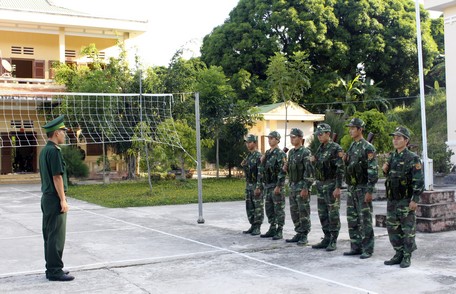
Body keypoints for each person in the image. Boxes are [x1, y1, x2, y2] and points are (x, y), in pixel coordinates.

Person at [383, 126, 424, 268]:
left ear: (406, 140)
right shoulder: (392, 156)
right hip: (392, 200)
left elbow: (419, 181)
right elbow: (391, 178)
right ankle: (398, 253)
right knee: (393, 229)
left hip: (406, 200)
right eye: (394, 137)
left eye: (398, 138)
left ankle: (407, 256)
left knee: (408, 229)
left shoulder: (413, 158)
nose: (395, 140)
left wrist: (415, 199)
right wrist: (384, 170)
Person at [39, 115, 74, 281]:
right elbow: (57, 177)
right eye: (63, 131)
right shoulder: (54, 151)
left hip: (46, 197)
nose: (64, 134)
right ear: (56, 133)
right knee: (56, 236)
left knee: (50, 234)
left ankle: (52, 268)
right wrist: (62, 200)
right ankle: (54, 271)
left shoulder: (44, 150)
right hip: (54, 198)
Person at [343, 118, 378, 259]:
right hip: (352, 188)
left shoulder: (368, 147)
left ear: (360, 129)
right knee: (352, 219)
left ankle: (368, 249)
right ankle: (356, 246)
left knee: (365, 220)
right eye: (350, 128)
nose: (351, 130)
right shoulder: (352, 146)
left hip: (363, 188)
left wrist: (370, 190)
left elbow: (373, 170)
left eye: (353, 128)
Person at [311, 123, 344, 251]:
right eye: (318, 134)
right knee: (322, 213)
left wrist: (338, 187)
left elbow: (340, 169)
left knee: (333, 214)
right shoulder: (320, 148)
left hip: (331, 185)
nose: (319, 136)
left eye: (321, 134)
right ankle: (326, 237)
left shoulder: (336, 149)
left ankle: (333, 239)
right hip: (320, 185)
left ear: (328, 134)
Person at [283, 128, 314, 246]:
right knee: (294, 212)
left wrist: (306, 187)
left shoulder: (306, 152)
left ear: (300, 138)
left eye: (294, 137)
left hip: (301, 187)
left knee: (303, 211)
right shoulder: (291, 152)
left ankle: (304, 234)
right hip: (293, 186)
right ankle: (298, 232)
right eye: (290, 137)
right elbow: (291, 170)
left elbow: (309, 171)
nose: (292, 139)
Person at [259, 131, 287, 240]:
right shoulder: (267, 153)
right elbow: (263, 169)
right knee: (269, 208)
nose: (269, 140)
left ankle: (279, 229)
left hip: (276, 185)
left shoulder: (280, 154)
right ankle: (272, 227)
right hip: (268, 185)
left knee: (278, 208)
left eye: (271, 138)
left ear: (277, 140)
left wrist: (279, 186)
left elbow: (283, 171)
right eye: (269, 138)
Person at [241, 134, 264, 236]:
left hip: (256, 184)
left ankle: (257, 227)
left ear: (254, 143)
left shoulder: (258, 156)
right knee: (249, 206)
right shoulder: (249, 156)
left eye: (249, 142)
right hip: (249, 184)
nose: (247, 144)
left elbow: (260, 172)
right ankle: (252, 225)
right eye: (247, 142)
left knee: (257, 207)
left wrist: (258, 186)